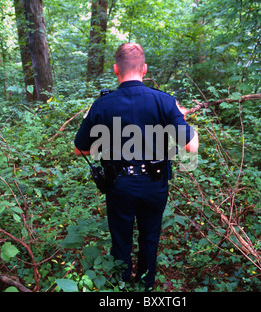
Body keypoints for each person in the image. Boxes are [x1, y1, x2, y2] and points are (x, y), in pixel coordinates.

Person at [74, 43, 198, 291]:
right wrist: (179, 118)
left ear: (115, 69)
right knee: (150, 238)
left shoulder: (102, 105)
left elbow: (80, 149)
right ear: (144, 69)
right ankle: (146, 287)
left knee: (121, 240)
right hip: (155, 183)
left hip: (119, 184)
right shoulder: (165, 101)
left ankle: (120, 287)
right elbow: (191, 147)